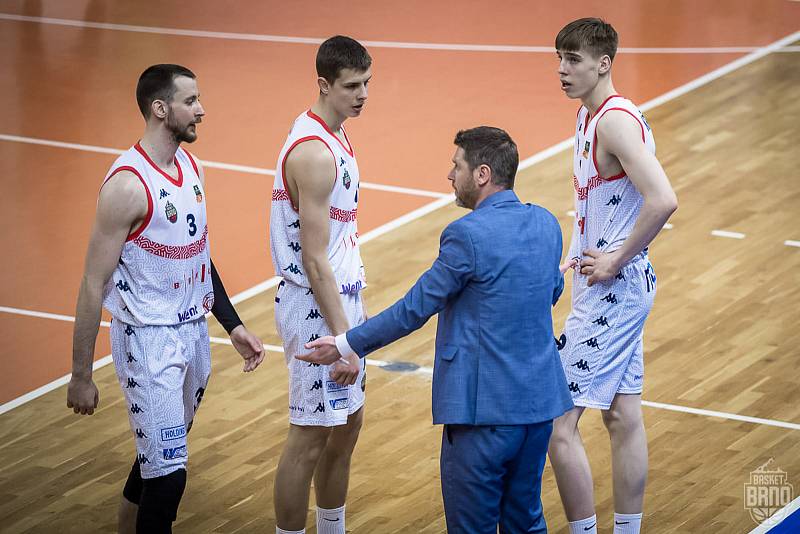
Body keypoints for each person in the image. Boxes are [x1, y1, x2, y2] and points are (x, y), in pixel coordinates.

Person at [300, 126, 574, 533]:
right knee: (526, 521)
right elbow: (548, 289)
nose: (450, 175)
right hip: (537, 410)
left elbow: (415, 308)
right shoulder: (546, 223)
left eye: (456, 165)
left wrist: (345, 343)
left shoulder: (467, 235)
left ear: (482, 174)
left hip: (481, 416)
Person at [66, 64, 265, 534]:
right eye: (191, 101)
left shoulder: (191, 167)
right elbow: (93, 283)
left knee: (156, 461)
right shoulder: (126, 186)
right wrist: (80, 375)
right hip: (147, 343)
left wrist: (232, 325)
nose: (202, 110)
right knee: (170, 478)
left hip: (193, 335)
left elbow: (198, 258)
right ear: (160, 109)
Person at [548, 18, 678, 534]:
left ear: (604, 64)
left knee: (557, 425)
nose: (561, 70)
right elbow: (605, 205)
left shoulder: (613, 122)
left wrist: (614, 259)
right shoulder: (589, 116)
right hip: (611, 287)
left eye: (573, 60)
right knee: (622, 416)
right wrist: (579, 252)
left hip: (615, 292)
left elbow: (663, 199)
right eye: (559, 58)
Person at [269, 36, 372, 534]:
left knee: (347, 427)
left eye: (366, 83)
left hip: (343, 298)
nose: (362, 94)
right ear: (323, 85)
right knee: (309, 435)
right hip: (316, 307)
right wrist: (344, 339)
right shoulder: (313, 154)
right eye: (351, 86)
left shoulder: (335, 133)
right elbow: (313, 260)